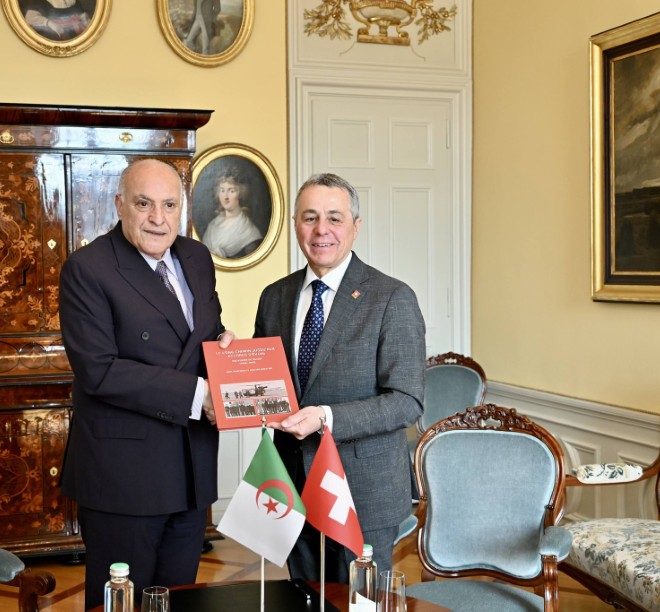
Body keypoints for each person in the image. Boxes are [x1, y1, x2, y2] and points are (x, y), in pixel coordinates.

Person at [58, 158, 234, 610]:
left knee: (178, 599)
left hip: (191, 465)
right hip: (125, 474)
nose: (158, 218)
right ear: (120, 205)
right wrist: (199, 394)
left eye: (169, 205)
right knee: (123, 602)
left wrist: (223, 346)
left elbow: (198, 333)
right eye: (144, 204)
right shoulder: (88, 268)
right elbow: (99, 369)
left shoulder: (196, 257)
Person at [253, 172, 426, 582]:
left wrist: (326, 417)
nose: (321, 230)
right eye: (309, 217)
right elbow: (265, 381)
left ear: (355, 226)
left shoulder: (392, 297)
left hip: (362, 490)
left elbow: (407, 401)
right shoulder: (275, 296)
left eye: (334, 218)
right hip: (290, 483)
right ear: (296, 225)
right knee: (304, 596)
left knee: (361, 602)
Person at [200, 170, 263, 259]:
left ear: (240, 194)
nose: (225, 197)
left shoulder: (249, 232)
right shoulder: (213, 224)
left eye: (231, 191)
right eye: (222, 190)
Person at [19, 0, 94, 41]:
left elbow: (83, 16)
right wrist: (50, 23)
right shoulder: (41, 1)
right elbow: (29, 18)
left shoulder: (74, 1)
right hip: (55, 37)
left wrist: (88, 28)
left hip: (77, 37)